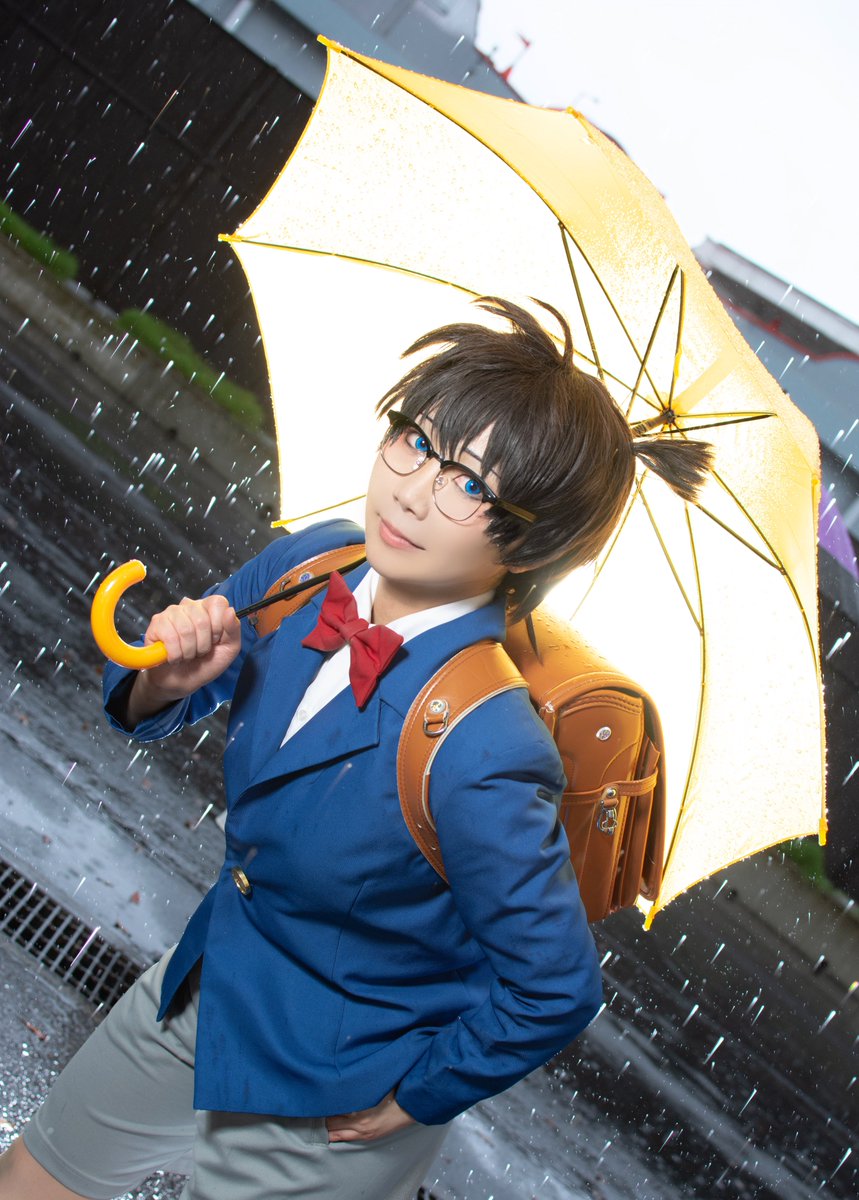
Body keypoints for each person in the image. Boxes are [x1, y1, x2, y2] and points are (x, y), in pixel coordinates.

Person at [0, 297, 712, 1200]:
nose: (411, 490)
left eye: (468, 484)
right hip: (205, 993)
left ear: (533, 543)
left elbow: (554, 988)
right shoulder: (313, 568)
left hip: (330, 1104)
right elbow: (146, 705)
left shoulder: (487, 742)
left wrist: (417, 1099)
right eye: (414, 440)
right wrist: (166, 677)